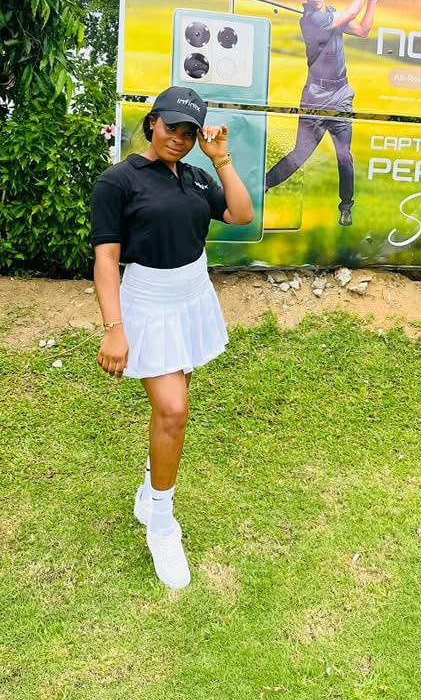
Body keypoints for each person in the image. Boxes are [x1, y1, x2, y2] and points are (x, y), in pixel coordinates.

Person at [90, 86, 253, 589]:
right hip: (148, 303)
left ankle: (150, 492)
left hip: (192, 297)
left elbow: (241, 215)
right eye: (170, 127)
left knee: (175, 405)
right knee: (173, 410)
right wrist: (114, 328)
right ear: (151, 123)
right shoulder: (118, 181)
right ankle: (161, 522)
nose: (178, 138)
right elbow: (106, 260)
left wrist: (221, 159)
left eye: (188, 132)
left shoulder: (198, 177)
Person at [264, 0, 378, 226]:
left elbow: (363, 30)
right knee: (300, 154)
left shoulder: (332, 15)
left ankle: (346, 207)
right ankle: (264, 184)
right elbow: (351, 13)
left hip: (341, 93)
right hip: (316, 96)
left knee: (344, 155)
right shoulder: (312, 19)